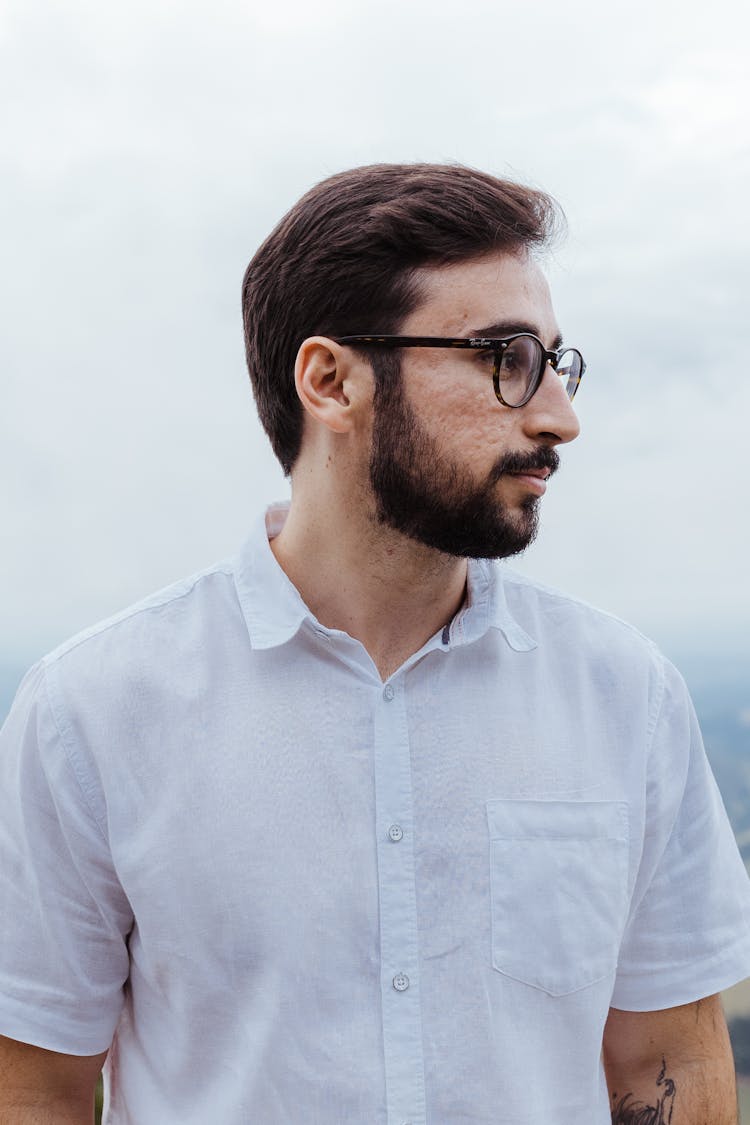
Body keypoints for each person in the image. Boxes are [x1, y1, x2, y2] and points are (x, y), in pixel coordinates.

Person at [1, 163, 749, 1125]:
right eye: (503, 358)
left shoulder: (625, 694)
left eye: (555, 364)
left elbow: (670, 1061)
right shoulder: (93, 712)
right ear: (331, 380)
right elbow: (34, 1091)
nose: (558, 415)